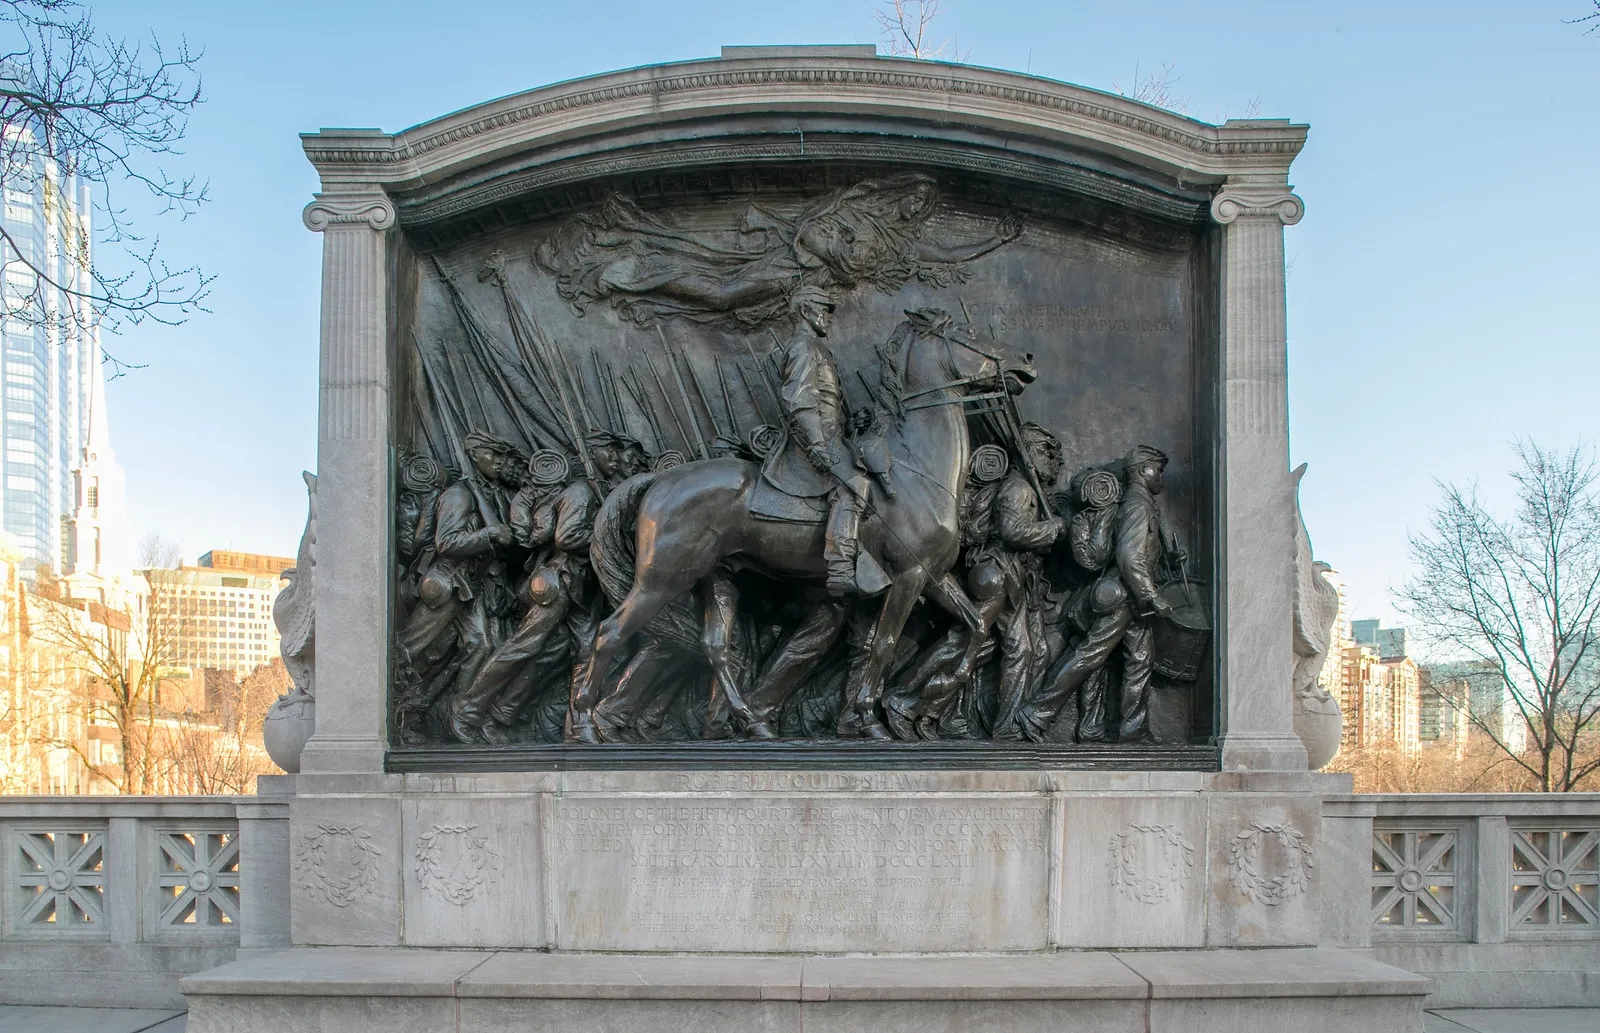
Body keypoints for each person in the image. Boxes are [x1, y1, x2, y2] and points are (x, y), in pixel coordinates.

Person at [449, 432, 630, 744]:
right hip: (560, 581)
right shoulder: (580, 492)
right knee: (523, 647)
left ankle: (573, 728)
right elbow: (567, 537)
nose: (614, 459)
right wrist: (611, 533)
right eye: (609, 452)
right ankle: (467, 710)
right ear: (591, 454)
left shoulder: (599, 489)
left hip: (584, 588)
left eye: (617, 453)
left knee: (586, 652)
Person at [1017, 445, 1173, 744]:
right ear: (1142, 470)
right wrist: (1150, 595)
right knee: (1088, 656)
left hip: (1134, 601)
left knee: (1139, 660)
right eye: (1158, 468)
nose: (1162, 476)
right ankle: (1036, 712)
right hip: (1126, 598)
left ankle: (1133, 730)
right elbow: (1129, 556)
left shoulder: (1140, 504)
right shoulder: (1136, 505)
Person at [393, 432, 522, 740]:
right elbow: (446, 541)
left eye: (504, 458)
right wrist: (489, 534)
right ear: (476, 455)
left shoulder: (489, 494)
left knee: (481, 645)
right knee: (415, 650)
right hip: (448, 583)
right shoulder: (459, 495)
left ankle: (457, 715)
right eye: (495, 456)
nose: (501, 463)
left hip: (471, 585)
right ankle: (402, 716)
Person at [762, 286, 875, 596]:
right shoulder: (802, 346)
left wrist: (850, 423)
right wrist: (817, 445)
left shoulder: (815, 346)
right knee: (854, 485)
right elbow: (800, 403)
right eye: (822, 307)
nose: (828, 315)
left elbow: (825, 404)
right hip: (812, 440)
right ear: (803, 311)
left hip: (829, 435)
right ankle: (839, 570)